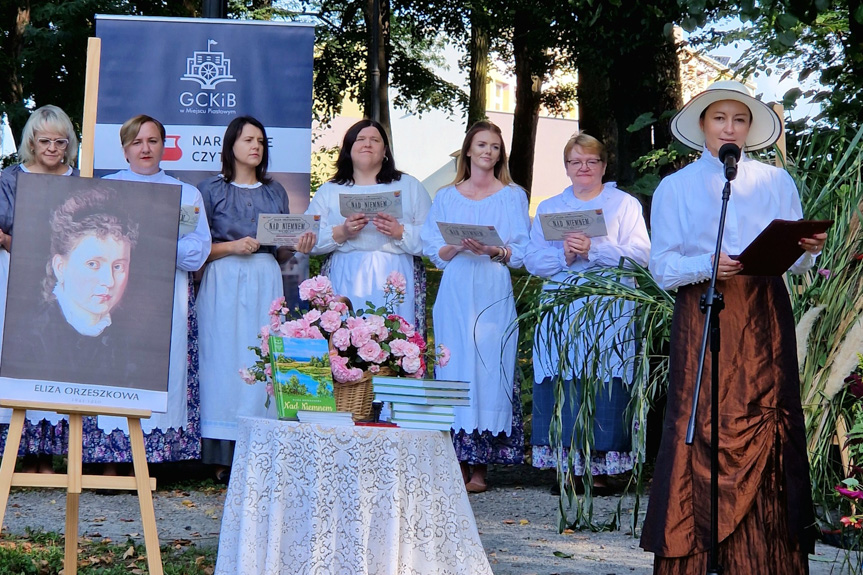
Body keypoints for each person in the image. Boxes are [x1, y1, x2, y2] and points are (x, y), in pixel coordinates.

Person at [639, 80, 827, 573]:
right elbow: (662, 266)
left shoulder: (775, 182)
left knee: (766, 415)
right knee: (699, 420)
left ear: (749, 129)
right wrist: (708, 264)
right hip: (704, 310)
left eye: (739, 119)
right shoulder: (675, 186)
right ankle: (697, 550)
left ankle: (763, 558)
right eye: (720, 118)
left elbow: (796, 265)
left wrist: (807, 252)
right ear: (703, 125)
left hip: (764, 313)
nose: (730, 127)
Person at [524, 133, 650, 492]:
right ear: (566, 167)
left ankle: (601, 469)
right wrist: (563, 255)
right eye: (575, 162)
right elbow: (532, 259)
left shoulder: (623, 205)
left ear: (603, 166)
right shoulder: (550, 207)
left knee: (603, 376)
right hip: (563, 304)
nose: (583, 168)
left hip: (608, 305)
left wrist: (594, 249)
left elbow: (641, 254)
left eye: (591, 161)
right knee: (565, 375)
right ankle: (568, 468)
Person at [83, 114, 212, 466]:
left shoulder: (186, 193)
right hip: (113, 294)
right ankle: (108, 460)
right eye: (137, 142)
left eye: (152, 141)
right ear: (125, 149)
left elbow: (197, 251)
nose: (145, 148)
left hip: (165, 298)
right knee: (112, 365)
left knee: (162, 370)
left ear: (164, 146)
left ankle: (154, 459)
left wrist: (156, 244)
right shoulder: (107, 191)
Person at [197, 115, 315, 482]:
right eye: (248, 139)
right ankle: (221, 452)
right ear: (231, 144)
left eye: (261, 142)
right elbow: (195, 249)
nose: (255, 146)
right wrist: (232, 246)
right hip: (224, 277)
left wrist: (297, 245)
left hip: (265, 277)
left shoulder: (274, 191)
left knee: (263, 352)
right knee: (222, 357)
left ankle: (263, 448)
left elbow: (281, 251)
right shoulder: (210, 190)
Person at [421, 120, 530, 492]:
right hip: (456, 288)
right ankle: (454, 460)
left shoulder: (512, 195)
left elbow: (522, 250)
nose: (488, 151)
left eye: (495, 147)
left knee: (488, 365)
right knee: (456, 364)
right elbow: (429, 245)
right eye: (481, 144)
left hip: (491, 285)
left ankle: (481, 465)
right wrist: (452, 247)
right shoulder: (446, 195)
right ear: (468, 149)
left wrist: (493, 250)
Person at [0, 105, 80, 473]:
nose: (51, 147)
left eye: (59, 141)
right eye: (44, 140)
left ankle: (45, 455)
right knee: (14, 356)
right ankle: (12, 454)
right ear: (31, 141)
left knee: (52, 356)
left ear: (69, 143)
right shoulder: (10, 179)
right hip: (14, 276)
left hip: (62, 282)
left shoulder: (80, 179)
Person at [306, 119, 431, 330]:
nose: (367, 144)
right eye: (360, 139)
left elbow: (433, 238)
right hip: (346, 274)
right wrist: (342, 232)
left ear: (385, 151)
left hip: (396, 275)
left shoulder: (409, 186)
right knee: (347, 342)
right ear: (349, 149)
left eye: (375, 140)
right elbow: (309, 238)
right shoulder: (330, 190)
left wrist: (400, 232)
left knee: (396, 345)